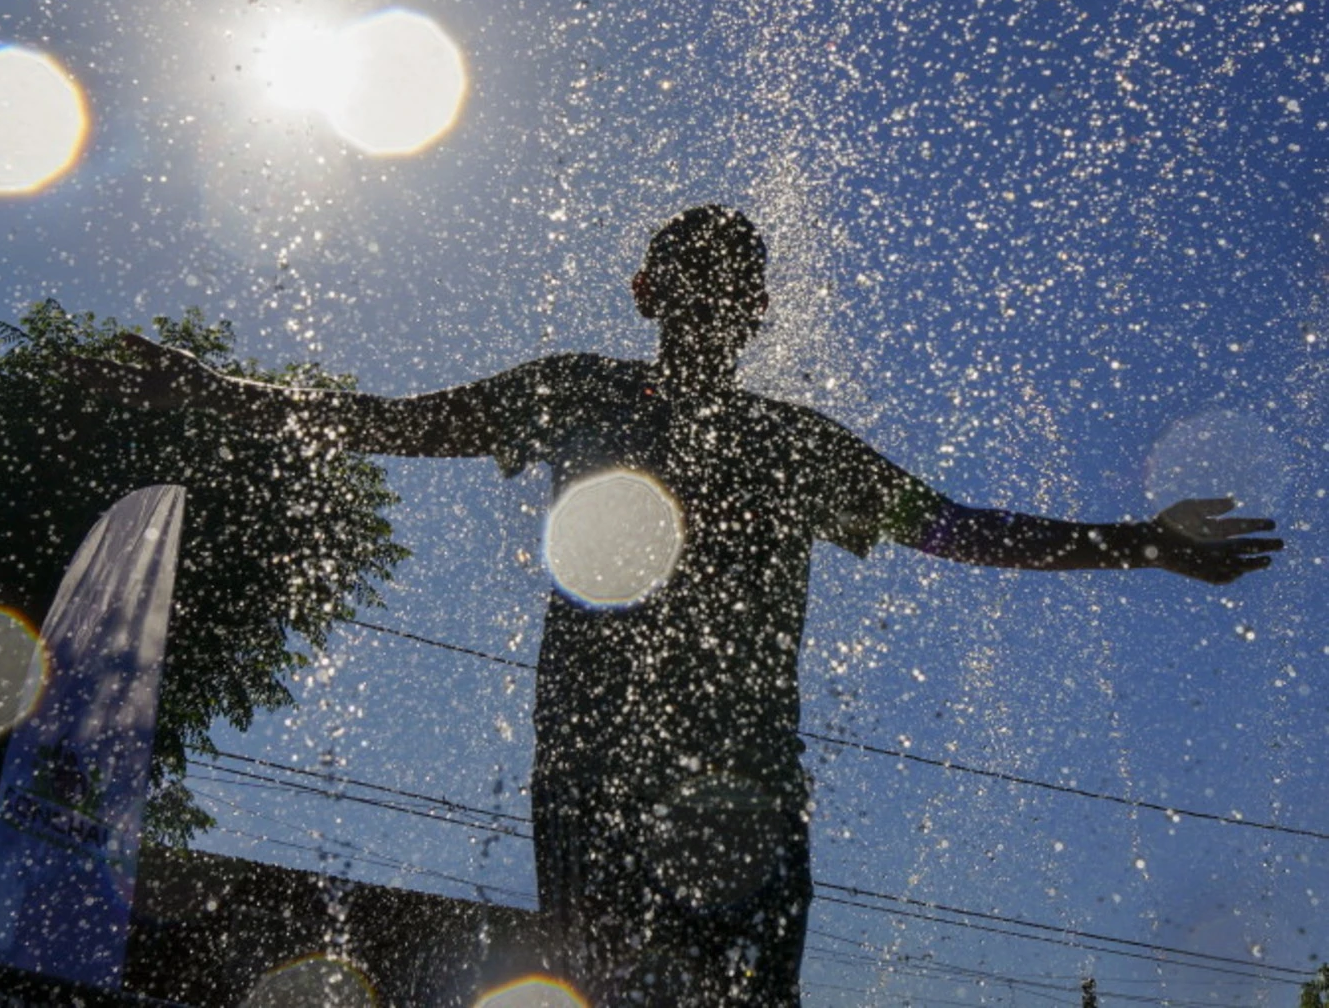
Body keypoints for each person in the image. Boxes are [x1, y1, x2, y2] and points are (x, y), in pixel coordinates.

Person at [78, 205, 1281, 1005]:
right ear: (652, 290)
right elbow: (392, 422)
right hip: (595, 778)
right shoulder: (573, 392)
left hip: (744, 798)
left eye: (734, 283)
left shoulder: (796, 450)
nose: (714, 298)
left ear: (755, 310)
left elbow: (961, 530)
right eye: (697, 276)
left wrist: (1142, 546)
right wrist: (223, 393)